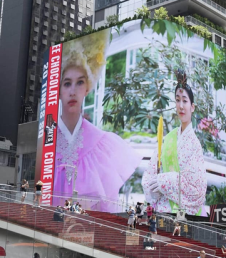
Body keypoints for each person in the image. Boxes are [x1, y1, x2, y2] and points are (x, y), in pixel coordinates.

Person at [54, 28, 142, 213]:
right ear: (59, 89)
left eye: (80, 82)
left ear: (88, 87)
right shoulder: (47, 142)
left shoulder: (103, 145)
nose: (73, 91)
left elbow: (107, 207)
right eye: (67, 83)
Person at [142, 69, 207, 215]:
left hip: (182, 216)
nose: (181, 106)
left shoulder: (194, 145)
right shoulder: (169, 138)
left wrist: (163, 182)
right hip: (160, 212)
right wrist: (152, 190)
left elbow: (197, 190)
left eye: (185, 100)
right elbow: (150, 173)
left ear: (192, 106)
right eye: (178, 100)